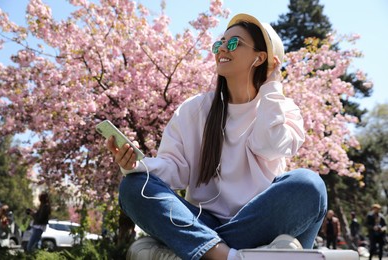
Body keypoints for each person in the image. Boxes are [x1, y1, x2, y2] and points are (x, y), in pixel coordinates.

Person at [106, 13, 327, 260]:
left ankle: (198, 251)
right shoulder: (194, 110)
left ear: (260, 58)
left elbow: (268, 146)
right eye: (219, 43)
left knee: (310, 185)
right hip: (201, 219)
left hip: (260, 222)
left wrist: (272, 87)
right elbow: (175, 170)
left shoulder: (282, 108)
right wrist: (137, 164)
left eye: (233, 43)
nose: (222, 48)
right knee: (135, 186)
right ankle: (236, 256)